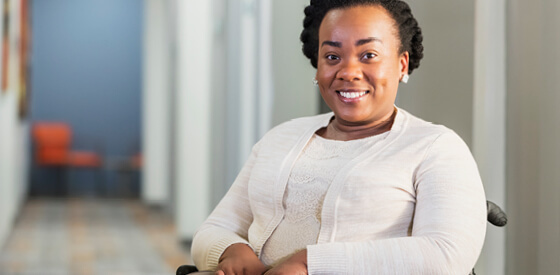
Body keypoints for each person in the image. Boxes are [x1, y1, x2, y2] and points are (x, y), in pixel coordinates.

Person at [191, 0, 487, 274]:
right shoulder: (280, 137)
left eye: (368, 55)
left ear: (401, 64)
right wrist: (232, 251)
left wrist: (308, 263)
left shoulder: (435, 147)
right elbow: (215, 227)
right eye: (332, 56)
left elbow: (446, 254)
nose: (348, 72)